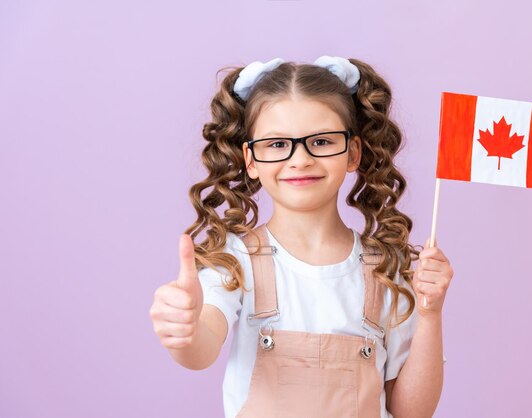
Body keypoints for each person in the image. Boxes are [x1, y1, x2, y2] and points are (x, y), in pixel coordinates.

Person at [149, 56, 455, 418]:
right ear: (251, 159)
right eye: (277, 144)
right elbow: (201, 349)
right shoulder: (237, 261)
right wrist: (184, 332)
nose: (300, 159)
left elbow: (412, 412)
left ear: (353, 152)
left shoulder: (388, 269)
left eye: (322, 141)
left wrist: (430, 313)